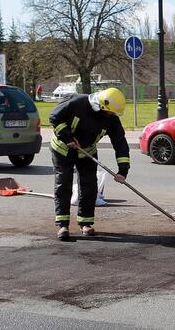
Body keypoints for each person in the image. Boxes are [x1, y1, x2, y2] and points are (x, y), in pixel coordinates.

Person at [49, 87, 130, 241]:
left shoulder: (111, 118)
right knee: (63, 184)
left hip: (87, 151)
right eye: (110, 112)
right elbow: (54, 117)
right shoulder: (77, 102)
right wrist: (67, 137)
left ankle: (85, 223)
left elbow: (120, 142)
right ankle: (63, 225)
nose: (112, 116)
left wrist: (123, 170)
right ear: (102, 106)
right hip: (62, 149)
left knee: (89, 186)